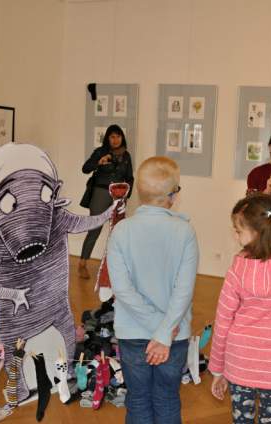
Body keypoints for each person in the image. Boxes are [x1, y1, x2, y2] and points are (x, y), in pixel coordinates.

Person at [107, 156, 198, 424]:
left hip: (133, 334)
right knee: (167, 398)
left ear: (138, 191)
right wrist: (163, 330)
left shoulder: (121, 231)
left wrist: (157, 328)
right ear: (173, 195)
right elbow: (184, 290)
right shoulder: (185, 232)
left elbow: (122, 290)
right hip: (173, 334)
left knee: (137, 399)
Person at [208, 194, 271, 424]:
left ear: (256, 233)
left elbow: (223, 321)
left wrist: (217, 369)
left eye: (238, 231)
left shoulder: (237, 269)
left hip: (239, 363)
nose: (235, 235)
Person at [79, 124, 134, 279]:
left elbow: (129, 178)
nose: (115, 140)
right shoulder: (100, 152)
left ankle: (114, 266)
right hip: (100, 193)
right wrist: (99, 162)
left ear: (122, 138)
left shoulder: (126, 156)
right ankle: (82, 264)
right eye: (112, 137)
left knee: (117, 232)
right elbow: (85, 168)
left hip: (118, 195)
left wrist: (126, 196)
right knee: (94, 229)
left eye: (118, 136)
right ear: (107, 138)